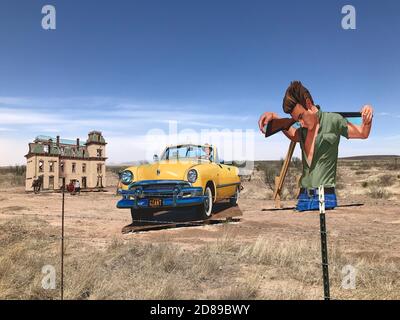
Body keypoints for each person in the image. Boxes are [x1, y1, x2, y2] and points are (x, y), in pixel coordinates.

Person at [258, 81, 373, 211]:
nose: (300, 123)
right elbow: (289, 131)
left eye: (301, 116)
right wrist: (273, 116)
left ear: (308, 104)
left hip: (326, 197)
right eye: (297, 120)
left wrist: (368, 113)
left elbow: (363, 133)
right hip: (303, 199)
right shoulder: (300, 132)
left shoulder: (333, 120)